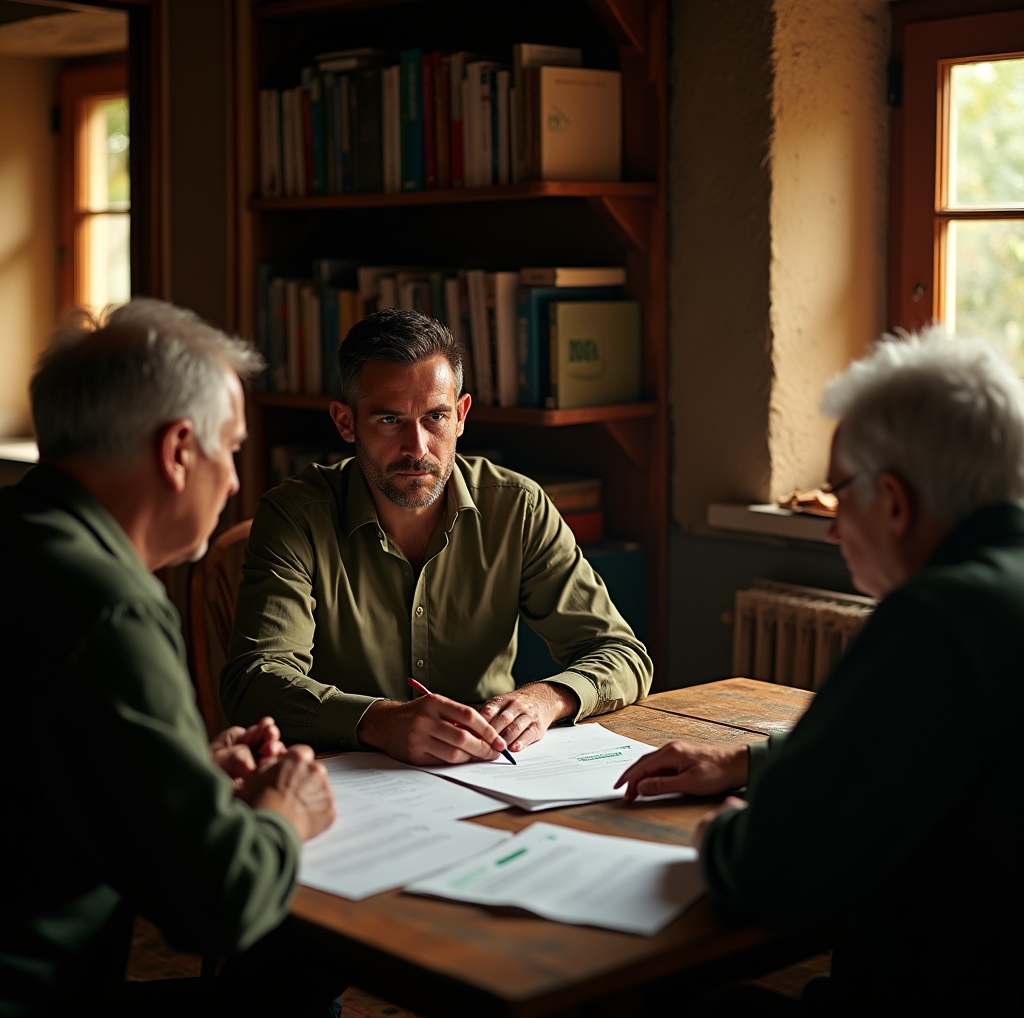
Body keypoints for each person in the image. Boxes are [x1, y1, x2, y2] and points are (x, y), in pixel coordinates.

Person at [616, 330, 1024, 1014]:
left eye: (838, 495)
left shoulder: (936, 616)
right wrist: (752, 763)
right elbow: (919, 754)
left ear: (893, 499)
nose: (833, 530)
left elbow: (768, 874)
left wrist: (723, 833)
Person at [0, 300, 341, 1017]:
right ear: (179, 450)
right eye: (232, 448)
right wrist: (285, 810)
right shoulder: (110, 605)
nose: (239, 483)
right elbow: (216, 908)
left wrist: (186, 777)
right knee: (298, 977)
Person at [221, 309, 652, 763]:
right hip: (340, 779)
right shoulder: (294, 517)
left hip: (488, 774)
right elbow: (255, 679)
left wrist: (547, 698)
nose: (417, 447)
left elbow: (620, 652)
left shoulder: (517, 508)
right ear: (345, 422)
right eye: (389, 420)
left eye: (435, 417)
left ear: (461, 415)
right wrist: (380, 721)